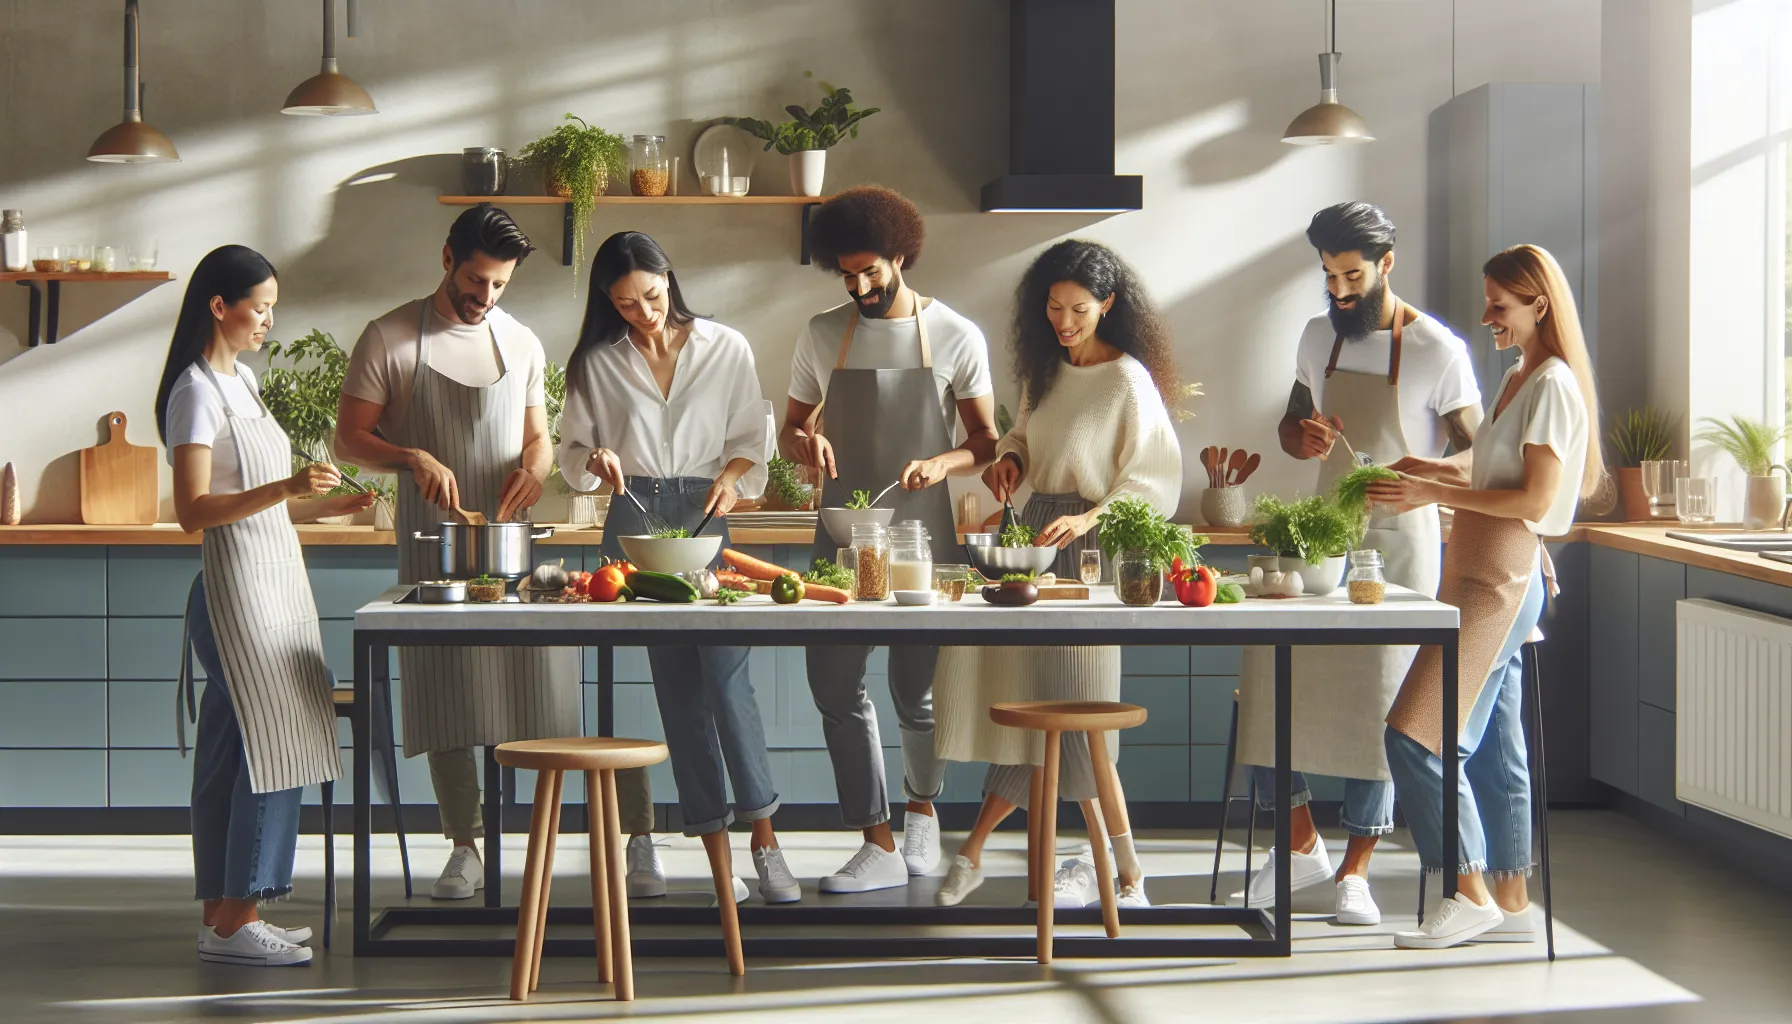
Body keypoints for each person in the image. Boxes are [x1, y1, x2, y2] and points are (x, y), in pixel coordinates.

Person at [1232, 202, 1484, 925]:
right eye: (1329, 277)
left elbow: (1476, 457)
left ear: (1386, 266)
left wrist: (1423, 478)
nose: (1340, 293)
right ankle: (1302, 842)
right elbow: (1290, 423)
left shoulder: (1438, 349)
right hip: (1323, 541)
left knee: (1382, 705)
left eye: (1352, 277)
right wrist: (1301, 438)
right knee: (1284, 687)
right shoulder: (1320, 338)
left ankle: (1356, 872)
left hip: (1402, 546)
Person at [334, 205, 585, 901]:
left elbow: (538, 439)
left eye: (500, 285)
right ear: (447, 259)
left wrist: (536, 469)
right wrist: (410, 453)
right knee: (448, 693)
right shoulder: (389, 338)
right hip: (435, 546)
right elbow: (347, 440)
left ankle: (539, 843)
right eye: (477, 281)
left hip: (512, 543)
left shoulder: (522, 341)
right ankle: (465, 844)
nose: (486, 299)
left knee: (539, 686)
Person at [932, 239, 1183, 909]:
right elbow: (1022, 439)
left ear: (1107, 305)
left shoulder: (1128, 380)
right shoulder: (1044, 370)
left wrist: (1089, 517)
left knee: (1080, 716)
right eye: (1052, 308)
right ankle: (976, 853)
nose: (1064, 323)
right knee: (1026, 704)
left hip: (1089, 555)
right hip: (1032, 537)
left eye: (1078, 310)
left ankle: (1128, 876)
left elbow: (1154, 479)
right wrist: (1009, 460)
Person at [557, 231, 799, 905]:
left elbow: (754, 440)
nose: (644, 312)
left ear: (670, 277)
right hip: (633, 515)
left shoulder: (726, 348)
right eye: (627, 304)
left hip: (703, 505)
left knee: (727, 680)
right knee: (678, 691)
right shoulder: (597, 362)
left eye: (653, 296)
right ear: (609, 302)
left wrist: (733, 475)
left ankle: (765, 839)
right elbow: (571, 452)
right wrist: (597, 461)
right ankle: (716, 853)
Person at [1366, 244, 1598, 949]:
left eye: (1500, 305)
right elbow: (1492, 463)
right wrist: (1436, 466)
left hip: (1500, 577)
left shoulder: (1552, 382)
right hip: (1477, 568)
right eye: (1488, 301)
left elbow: (1534, 497)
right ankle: (1510, 896)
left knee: (1413, 733)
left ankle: (1465, 888)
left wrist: (1433, 491)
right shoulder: (1519, 377)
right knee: (1497, 745)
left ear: (1539, 305)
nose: (1486, 315)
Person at [780, 186, 1000, 892]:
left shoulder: (958, 335)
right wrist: (804, 444)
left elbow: (988, 443)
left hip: (920, 539)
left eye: (871, 271)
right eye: (847, 275)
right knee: (834, 685)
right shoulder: (821, 332)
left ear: (902, 254)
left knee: (918, 692)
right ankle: (872, 837)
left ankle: (921, 812)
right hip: (841, 534)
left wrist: (942, 463)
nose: (860, 286)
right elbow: (789, 429)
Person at [158, 245, 371, 966]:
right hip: (235, 593)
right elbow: (194, 510)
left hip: (271, 581)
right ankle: (240, 915)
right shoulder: (195, 390)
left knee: (229, 752)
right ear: (220, 306)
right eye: (261, 306)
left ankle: (222, 918)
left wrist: (337, 501)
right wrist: (286, 489)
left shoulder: (240, 380)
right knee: (268, 746)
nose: (269, 322)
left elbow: (270, 506)